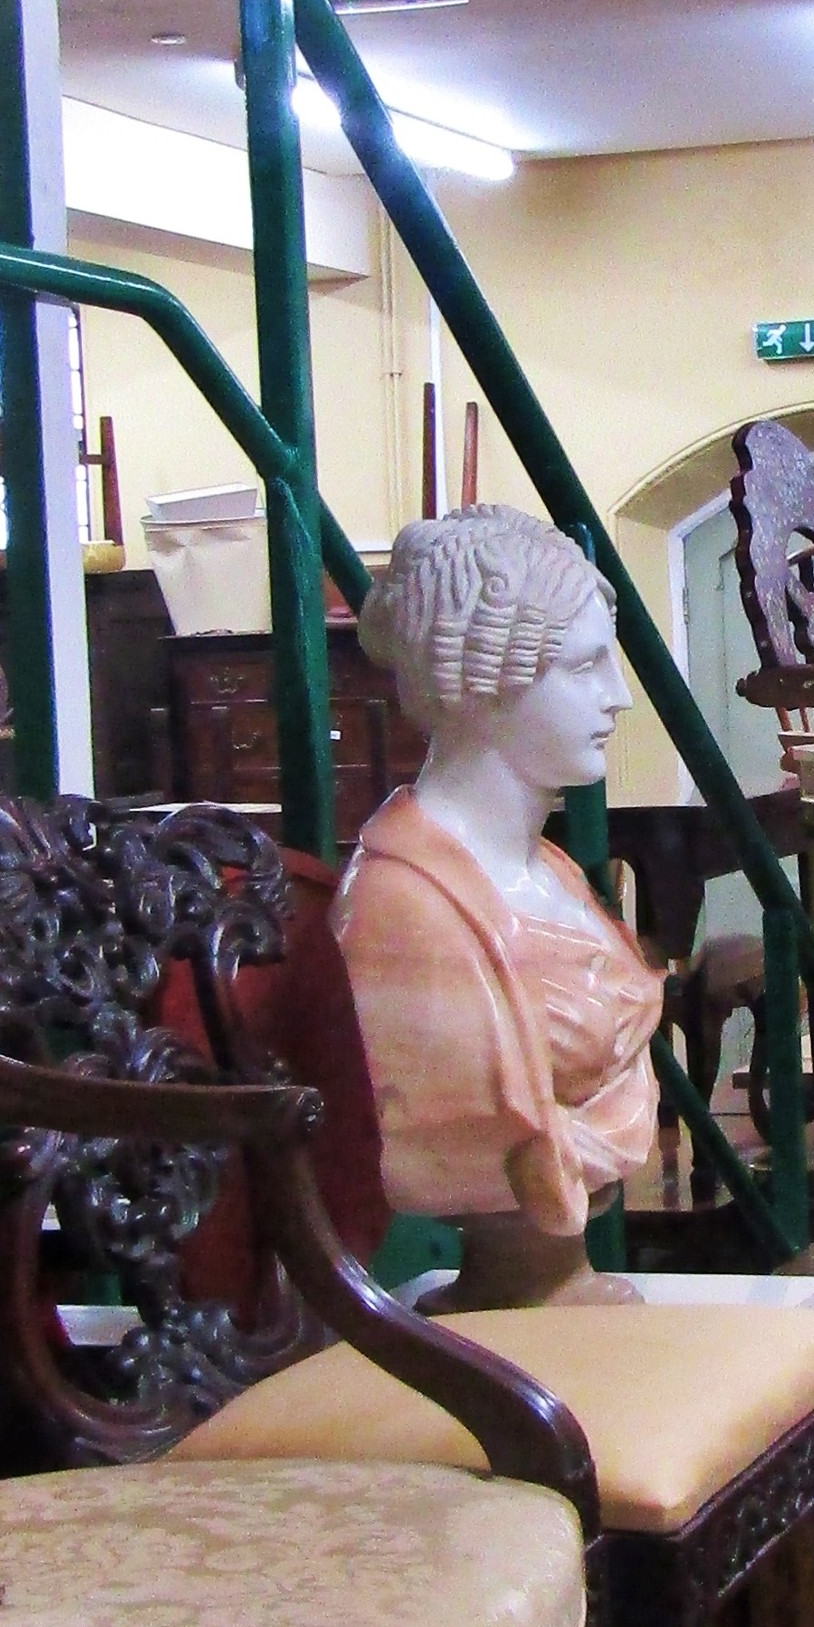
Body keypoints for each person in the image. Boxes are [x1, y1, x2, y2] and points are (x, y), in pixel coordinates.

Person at [337, 507, 663, 1301]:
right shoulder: (405, 912)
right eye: (584, 666)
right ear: (483, 679)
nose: (618, 696)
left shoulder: (552, 874)